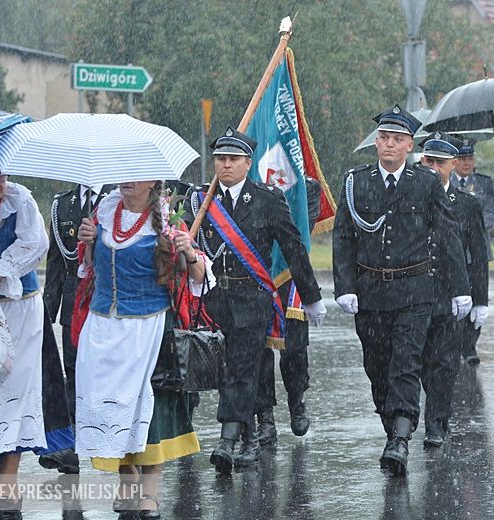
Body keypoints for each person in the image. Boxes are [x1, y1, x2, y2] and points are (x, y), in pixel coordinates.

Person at [332, 105, 471, 476]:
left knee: (406, 363)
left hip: (414, 291)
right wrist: (344, 286)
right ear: (376, 142)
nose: (389, 145)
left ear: (410, 146)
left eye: (397, 139)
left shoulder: (426, 182)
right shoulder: (356, 181)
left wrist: (461, 288)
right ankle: (393, 426)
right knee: (377, 367)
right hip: (371, 291)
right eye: (384, 138)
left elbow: (447, 235)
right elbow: (343, 236)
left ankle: (401, 438)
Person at [185, 127, 325, 474]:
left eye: (233, 159)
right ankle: (249, 439)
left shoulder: (267, 198)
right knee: (230, 371)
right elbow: (187, 242)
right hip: (216, 299)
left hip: (252, 298)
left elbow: (292, 247)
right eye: (220, 158)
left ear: (248, 163)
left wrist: (310, 296)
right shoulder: (201, 202)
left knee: (242, 369)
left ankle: (227, 440)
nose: (226, 164)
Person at [75, 179, 210, 519]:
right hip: (104, 326)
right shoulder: (103, 214)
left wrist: (188, 251)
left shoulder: (168, 222)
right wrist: (88, 244)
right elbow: (90, 269)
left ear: (153, 182)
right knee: (111, 407)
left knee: (151, 408)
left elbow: (198, 277)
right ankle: (126, 478)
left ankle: (149, 492)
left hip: (149, 327)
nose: (127, 183)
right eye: (124, 176)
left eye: (136, 177)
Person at [0, 147, 75, 520]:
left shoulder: (19, 200)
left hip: (18, 311)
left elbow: (36, 244)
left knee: (12, 397)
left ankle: (8, 490)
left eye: (1, 176)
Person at [419, 131, 489, 448]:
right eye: (429, 162)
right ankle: (426, 413)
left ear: (453, 164)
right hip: (416, 292)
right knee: (420, 362)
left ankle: (436, 421)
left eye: (441, 163)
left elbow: (478, 254)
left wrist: (480, 299)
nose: (434, 169)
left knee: (445, 362)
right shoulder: (410, 196)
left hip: (451, 292)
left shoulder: (467, 204)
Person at [42, 183, 112, 474]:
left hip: (108, 297)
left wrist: (97, 239)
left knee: (107, 374)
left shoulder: (118, 197)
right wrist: (46, 313)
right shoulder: (63, 204)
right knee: (72, 372)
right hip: (75, 300)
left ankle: (116, 443)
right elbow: (56, 262)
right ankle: (69, 448)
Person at [256, 176, 322, 444]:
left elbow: (305, 225)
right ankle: (265, 418)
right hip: (257, 269)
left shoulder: (307, 187)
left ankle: (297, 402)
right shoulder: (251, 183)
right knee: (259, 350)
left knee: (294, 350)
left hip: (290, 272)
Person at [450, 139, 494, 365]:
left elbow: (492, 211)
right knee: (457, 296)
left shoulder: (484, 183)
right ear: (454, 161)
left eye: (470, 158)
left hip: (477, 248)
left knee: (477, 295)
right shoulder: (446, 182)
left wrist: (473, 225)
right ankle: (455, 343)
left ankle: (470, 346)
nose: (467, 163)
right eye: (462, 158)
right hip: (456, 249)